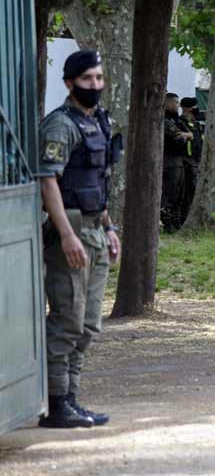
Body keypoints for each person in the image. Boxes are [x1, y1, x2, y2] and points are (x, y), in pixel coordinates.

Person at [38, 49, 121, 428]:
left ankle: (71, 398)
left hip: (94, 231)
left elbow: (96, 182)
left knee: (88, 324)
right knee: (67, 320)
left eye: (99, 78)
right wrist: (67, 235)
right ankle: (56, 405)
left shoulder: (98, 120)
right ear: (70, 82)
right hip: (69, 232)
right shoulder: (60, 125)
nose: (95, 85)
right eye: (88, 79)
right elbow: (48, 180)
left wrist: (109, 227)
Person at [162, 93, 192, 232]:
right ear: (168, 103)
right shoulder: (164, 120)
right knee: (169, 194)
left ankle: (175, 222)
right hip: (168, 162)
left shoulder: (176, 121)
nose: (178, 106)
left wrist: (184, 135)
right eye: (176, 102)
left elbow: (190, 134)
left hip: (179, 162)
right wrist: (184, 136)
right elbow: (178, 139)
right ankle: (166, 223)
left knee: (179, 195)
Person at [178, 97, 203, 225]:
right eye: (194, 106)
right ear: (186, 108)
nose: (196, 109)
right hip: (187, 161)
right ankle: (183, 220)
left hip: (196, 161)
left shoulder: (196, 123)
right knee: (188, 192)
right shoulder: (180, 122)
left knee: (194, 192)